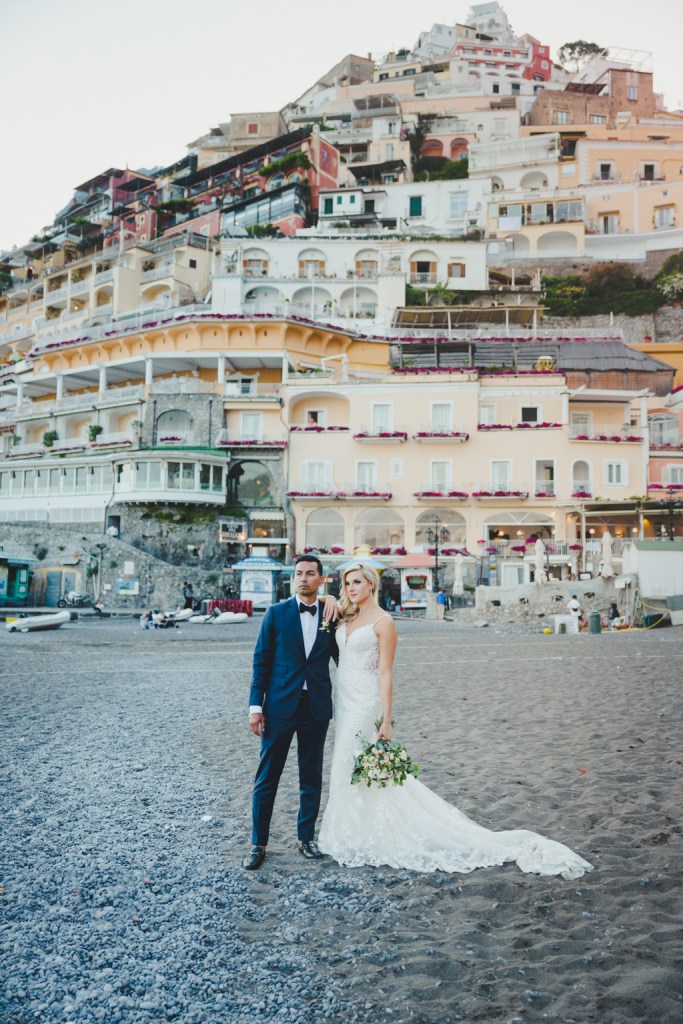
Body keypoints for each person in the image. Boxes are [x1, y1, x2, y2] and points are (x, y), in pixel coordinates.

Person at [317, 563, 593, 878]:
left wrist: (388, 719)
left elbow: (385, 672)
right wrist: (327, 598)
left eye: (357, 582)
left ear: (371, 584)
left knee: (352, 763)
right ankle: (355, 829)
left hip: (366, 701)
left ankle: (368, 833)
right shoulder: (346, 615)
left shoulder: (384, 621)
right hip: (344, 699)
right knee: (347, 765)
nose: (351, 588)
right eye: (347, 583)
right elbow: (326, 609)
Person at [244, 555, 339, 871]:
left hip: (316, 709)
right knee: (267, 777)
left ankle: (306, 839)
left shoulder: (331, 616)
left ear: (321, 580)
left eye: (310, 574)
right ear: (292, 578)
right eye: (298, 573)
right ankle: (258, 844)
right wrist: (255, 708)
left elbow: (344, 660)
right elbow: (261, 662)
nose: (303, 578)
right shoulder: (275, 614)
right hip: (279, 708)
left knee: (310, 776)